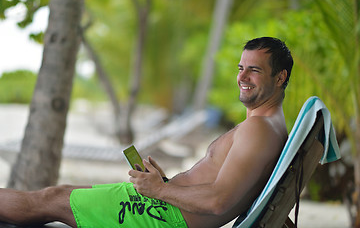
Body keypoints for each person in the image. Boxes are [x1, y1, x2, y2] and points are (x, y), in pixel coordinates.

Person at [0, 37, 293, 228]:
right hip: (163, 207)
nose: (242, 77)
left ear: (280, 77)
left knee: (50, 199)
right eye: (241, 68)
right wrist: (165, 184)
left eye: (253, 70)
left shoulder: (258, 129)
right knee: (57, 196)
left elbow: (220, 202)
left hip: (161, 217)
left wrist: (161, 190)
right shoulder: (267, 126)